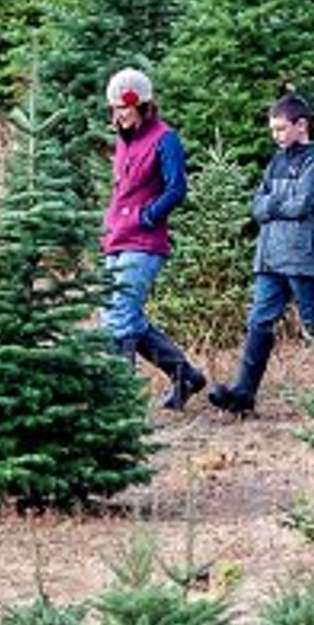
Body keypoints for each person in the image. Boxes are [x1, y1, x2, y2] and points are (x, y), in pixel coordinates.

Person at [212, 88, 314, 418]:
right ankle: (243, 393)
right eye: (272, 130)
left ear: (301, 126)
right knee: (259, 320)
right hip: (269, 255)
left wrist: (272, 205)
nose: (276, 135)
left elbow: (302, 203)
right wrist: (272, 205)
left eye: (281, 128)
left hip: (302, 255)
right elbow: (257, 206)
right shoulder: (276, 161)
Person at [100, 67, 206, 408]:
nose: (119, 115)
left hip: (143, 243)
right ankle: (185, 376)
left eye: (124, 108)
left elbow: (177, 188)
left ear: (143, 105)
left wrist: (148, 216)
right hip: (115, 238)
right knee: (122, 316)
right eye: (114, 109)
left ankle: (119, 404)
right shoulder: (122, 140)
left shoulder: (165, 138)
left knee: (119, 317)